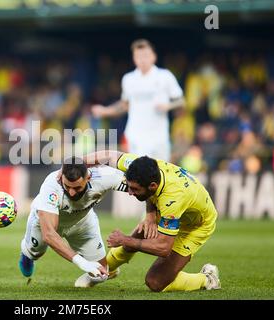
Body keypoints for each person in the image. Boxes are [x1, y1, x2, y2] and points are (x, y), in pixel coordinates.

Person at [83, 150, 221, 291]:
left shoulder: (172, 198)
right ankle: (105, 270)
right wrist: (73, 167)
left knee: (155, 282)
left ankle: (207, 279)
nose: (130, 192)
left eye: (135, 189)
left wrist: (125, 240)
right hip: (173, 212)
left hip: (195, 226)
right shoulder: (142, 168)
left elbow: (163, 248)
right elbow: (109, 155)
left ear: (152, 186)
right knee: (141, 232)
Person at [92, 39, 185, 218]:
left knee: (162, 177)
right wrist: (106, 110)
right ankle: (149, 218)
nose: (142, 59)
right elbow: (125, 105)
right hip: (136, 135)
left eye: (145, 55)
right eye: (138, 56)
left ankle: (164, 215)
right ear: (134, 58)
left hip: (158, 135)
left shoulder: (164, 76)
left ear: (153, 57)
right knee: (143, 176)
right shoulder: (129, 79)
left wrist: (168, 106)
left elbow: (181, 100)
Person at [18, 157, 129, 287]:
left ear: (88, 178)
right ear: (61, 177)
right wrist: (83, 263)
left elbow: (142, 184)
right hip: (47, 221)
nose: (71, 192)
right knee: (35, 251)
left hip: (82, 223)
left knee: (102, 275)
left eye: (77, 188)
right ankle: (28, 255)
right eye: (67, 186)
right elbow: (49, 234)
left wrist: (150, 214)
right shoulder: (51, 186)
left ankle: (99, 273)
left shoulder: (106, 177)